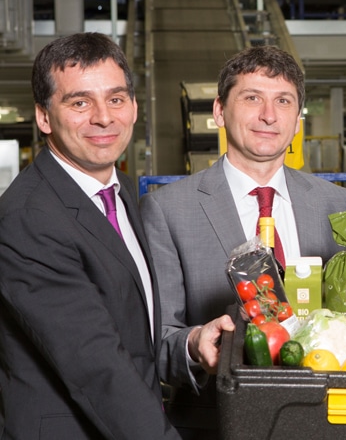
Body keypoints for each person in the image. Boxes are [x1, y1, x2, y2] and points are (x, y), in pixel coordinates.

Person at [0, 32, 231, 439]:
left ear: (134, 107)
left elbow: (129, 327)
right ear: (43, 117)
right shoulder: (29, 218)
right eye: (79, 102)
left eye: (116, 98)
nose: (103, 117)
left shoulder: (119, 190)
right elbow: (94, 363)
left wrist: (192, 341)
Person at [140, 45, 346, 439]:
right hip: (218, 422)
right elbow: (154, 339)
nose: (268, 115)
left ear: (297, 120)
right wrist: (193, 344)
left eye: (283, 101)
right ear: (219, 112)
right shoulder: (167, 210)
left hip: (324, 421)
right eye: (252, 97)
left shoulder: (338, 204)